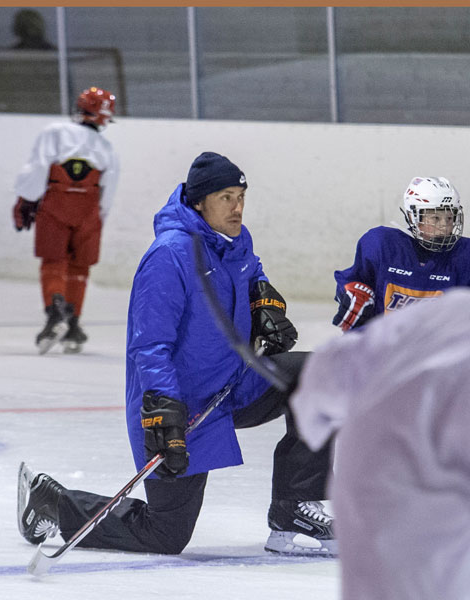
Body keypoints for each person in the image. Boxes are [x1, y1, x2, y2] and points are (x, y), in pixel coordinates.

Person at [17, 152, 336, 557]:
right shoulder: (169, 256)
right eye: (226, 197)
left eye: (241, 196)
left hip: (236, 384)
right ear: (199, 202)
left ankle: (293, 511)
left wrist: (264, 304)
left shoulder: (236, 239)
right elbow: (149, 345)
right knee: (165, 535)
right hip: (179, 405)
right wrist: (163, 407)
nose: (237, 207)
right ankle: (55, 502)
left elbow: (252, 271)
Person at [291, 287, 470, 599]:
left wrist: (312, 413)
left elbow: (331, 368)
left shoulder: (444, 311)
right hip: (423, 506)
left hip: (367, 480)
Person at [12, 86, 119, 354]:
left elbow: (38, 168)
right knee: (79, 268)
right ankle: (73, 325)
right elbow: (109, 189)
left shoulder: (55, 133)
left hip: (56, 203)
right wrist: (98, 219)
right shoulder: (107, 149)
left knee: (53, 262)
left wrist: (26, 198)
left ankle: (55, 312)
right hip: (89, 208)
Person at [333, 176, 470, 332]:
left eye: (450, 218)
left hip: (438, 352)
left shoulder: (465, 255)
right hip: (383, 348)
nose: (444, 226)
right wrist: (349, 293)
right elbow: (352, 281)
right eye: (436, 218)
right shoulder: (382, 245)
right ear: (413, 216)